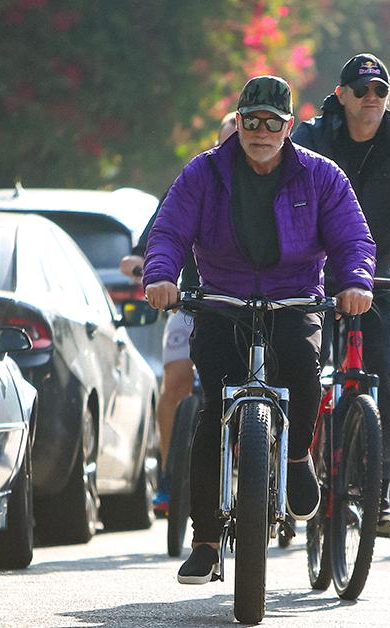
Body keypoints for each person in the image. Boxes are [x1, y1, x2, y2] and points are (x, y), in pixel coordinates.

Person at [143, 75, 377, 585]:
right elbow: (169, 230)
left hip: (293, 299)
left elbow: (353, 238)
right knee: (212, 411)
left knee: (302, 369)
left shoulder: (321, 176)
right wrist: (160, 275)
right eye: (252, 121)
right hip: (222, 301)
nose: (261, 131)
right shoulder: (204, 173)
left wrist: (355, 282)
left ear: (289, 127)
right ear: (240, 123)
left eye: (273, 122)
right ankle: (205, 541)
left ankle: (295, 458)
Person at [292, 52, 390, 535]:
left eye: (381, 90)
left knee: (384, 369)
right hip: (311, 271)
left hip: (374, 273)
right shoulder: (312, 138)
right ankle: (288, 468)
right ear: (340, 96)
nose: (372, 99)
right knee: (297, 362)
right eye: (361, 90)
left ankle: (381, 493)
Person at [119, 112, 237, 516]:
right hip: (191, 302)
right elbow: (158, 235)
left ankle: (256, 462)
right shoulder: (197, 179)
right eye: (230, 141)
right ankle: (170, 473)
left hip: (242, 309)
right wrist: (143, 263)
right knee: (176, 384)